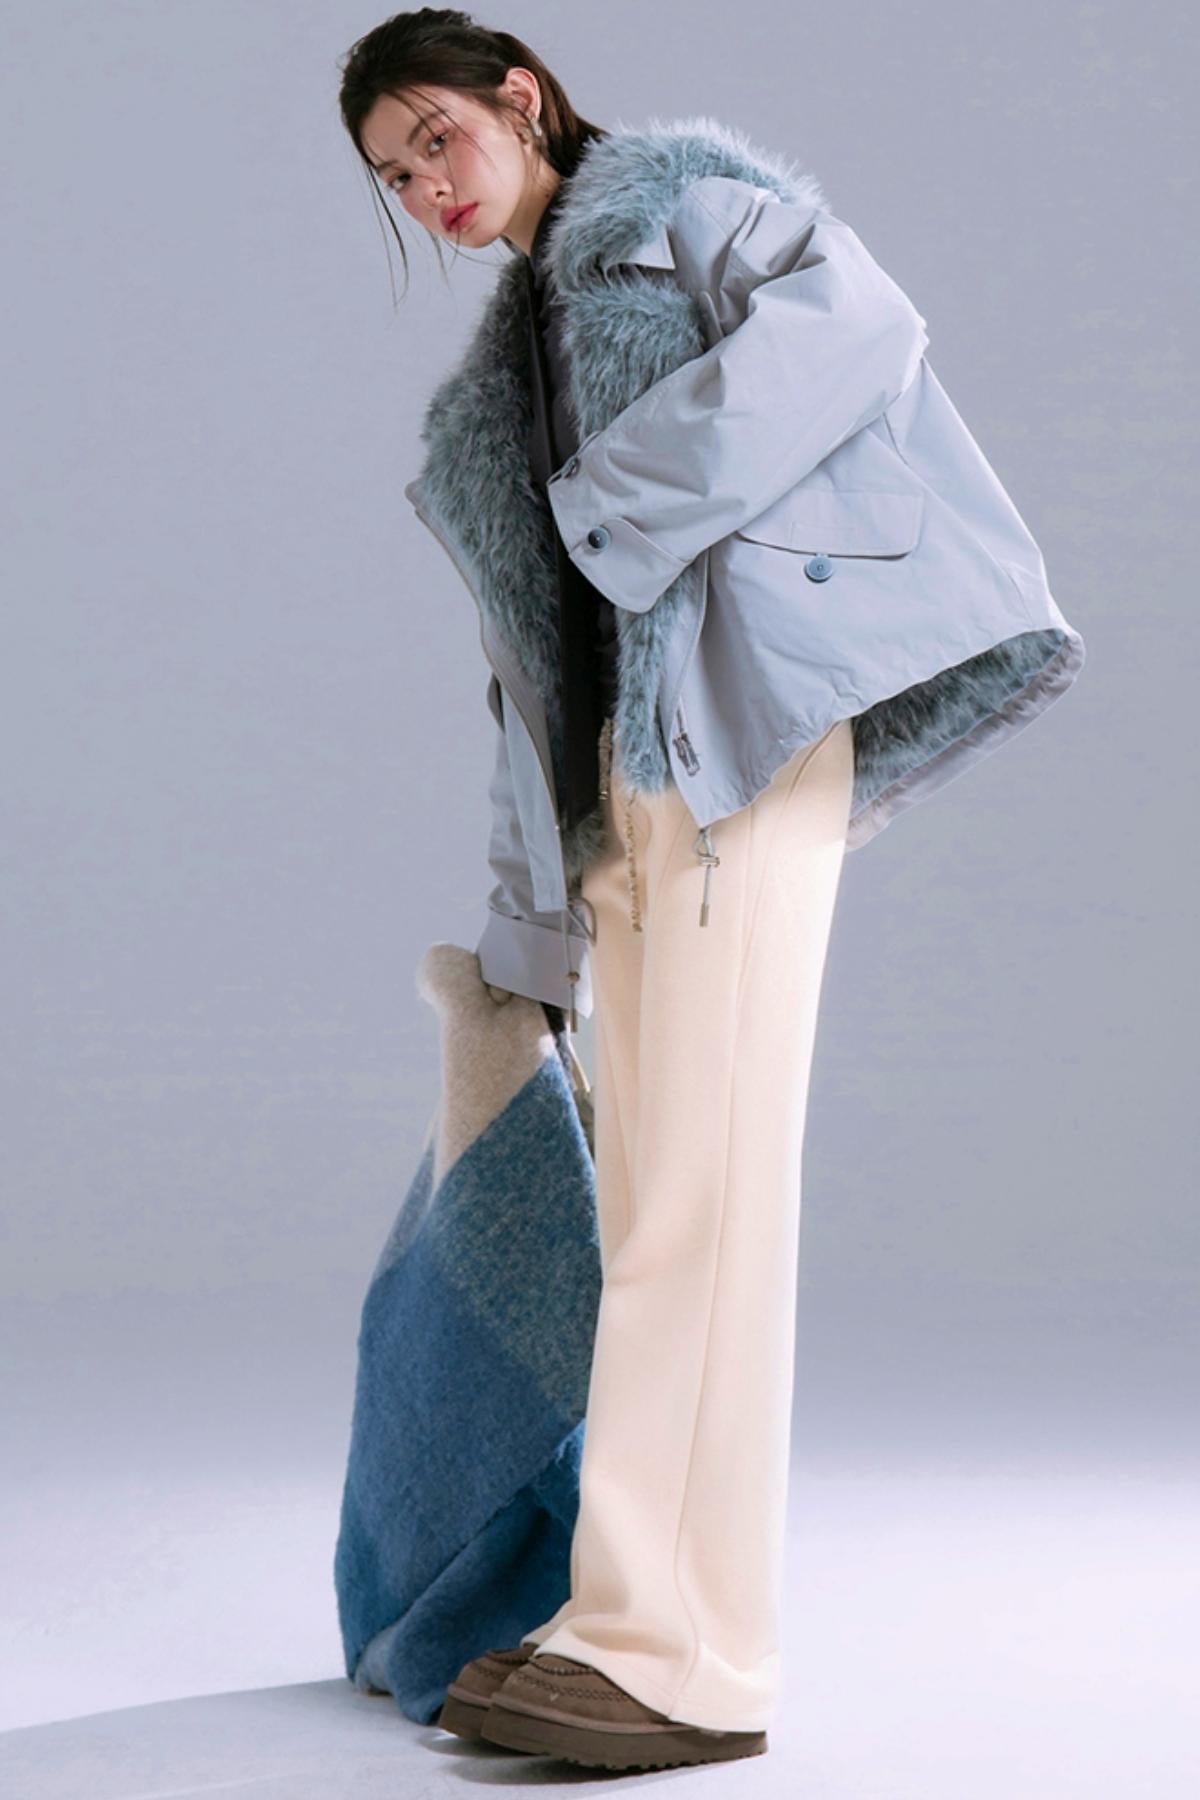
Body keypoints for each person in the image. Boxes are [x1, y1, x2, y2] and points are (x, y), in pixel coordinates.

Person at [337, 7, 1085, 1773]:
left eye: (439, 138)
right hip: (629, 791)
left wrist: (609, 503)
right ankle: (627, 1613)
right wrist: (526, 928)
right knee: (652, 1204)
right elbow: (535, 675)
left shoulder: (689, 204)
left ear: (521, 96)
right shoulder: (516, 353)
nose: (430, 189)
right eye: (394, 178)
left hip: (739, 752)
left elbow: (860, 328)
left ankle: (686, 1658)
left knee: (706, 1200)